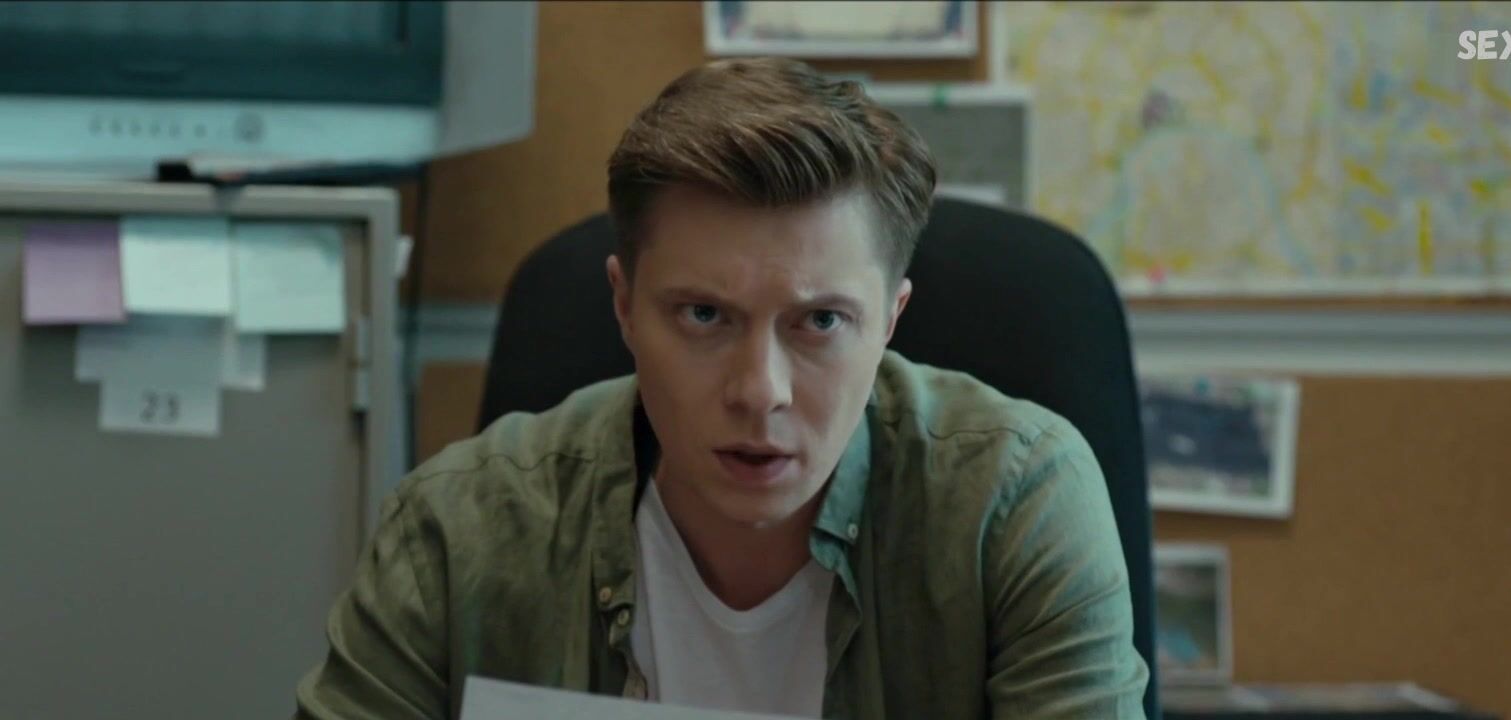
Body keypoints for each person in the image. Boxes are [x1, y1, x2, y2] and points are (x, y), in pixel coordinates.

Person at [295, 57, 1149, 719]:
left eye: (820, 322)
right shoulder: (460, 528)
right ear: (624, 306)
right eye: (704, 315)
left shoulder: (1015, 504)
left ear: (891, 320)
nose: (759, 391)